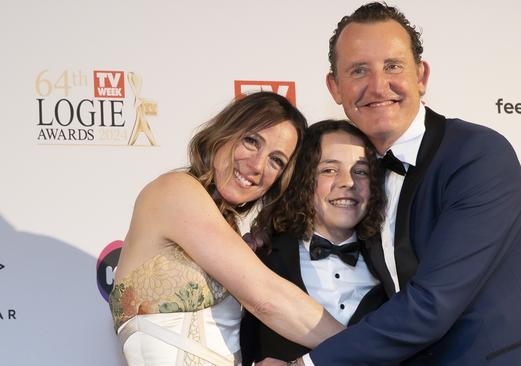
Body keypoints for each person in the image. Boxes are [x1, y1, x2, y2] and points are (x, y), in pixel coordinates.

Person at [278, 3, 521, 365]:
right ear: (335, 87)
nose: (378, 86)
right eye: (358, 70)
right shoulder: (366, 181)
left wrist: (310, 364)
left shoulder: (476, 154)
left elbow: (431, 304)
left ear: (421, 76)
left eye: (393, 66)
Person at [108, 92, 344, 366]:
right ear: (225, 132)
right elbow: (267, 298)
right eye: (251, 141)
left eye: (276, 160)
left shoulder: (225, 228)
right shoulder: (174, 190)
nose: (257, 166)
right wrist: (364, 347)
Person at [239, 120, 390, 365]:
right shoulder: (261, 258)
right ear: (303, 178)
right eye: (329, 170)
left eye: (361, 171)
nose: (348, 182)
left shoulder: (395, 266)